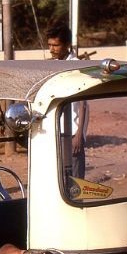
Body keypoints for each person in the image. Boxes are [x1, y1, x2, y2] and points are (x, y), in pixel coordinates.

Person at [47, 25, 88, 179]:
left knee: (75, 178)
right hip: (57, 128)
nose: (52, 49)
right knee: (59, 176)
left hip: (73, 132)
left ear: (67, 45)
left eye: (56, 45)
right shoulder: (52, 64)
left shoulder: (76, 66)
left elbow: (83, 103)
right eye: (50, 45)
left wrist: (79, 135)